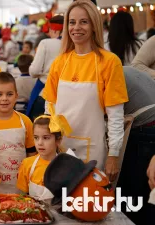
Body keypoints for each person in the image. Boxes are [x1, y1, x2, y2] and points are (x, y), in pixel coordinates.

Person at [43, 0, 128, 179]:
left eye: (84, 22)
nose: (76, 28)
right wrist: (48, 144)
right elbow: (49, 109)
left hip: (94, 148)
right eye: (72, 22)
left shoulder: (110, 62)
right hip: (61, 148)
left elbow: (115, 114)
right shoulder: (59, 62)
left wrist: (114, 154)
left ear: (94, 25)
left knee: (90, 202)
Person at [0, 72, 35, 194]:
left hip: (21, 186)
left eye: (9, 94)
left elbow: (32, 154)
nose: (4, 98)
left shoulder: (25, 122)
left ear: (16, 96)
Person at [116, 67, 155, 225]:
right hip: (149, 126)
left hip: (145, 128)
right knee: (145, 189)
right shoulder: (125, 69)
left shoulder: (108, 74)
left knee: (131, 192)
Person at [16, 104, 71, 200]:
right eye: (36, 138)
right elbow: (22, 196)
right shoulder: (27, 164)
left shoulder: (67, 166)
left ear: (58, 140)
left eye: (46, 138)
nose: (40, 143)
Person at [27, 15, 64, 119]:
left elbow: (34, 71)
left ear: (55, 31)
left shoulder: (45, 43)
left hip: (45, 91)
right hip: (65, 92)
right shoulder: (73, 45)